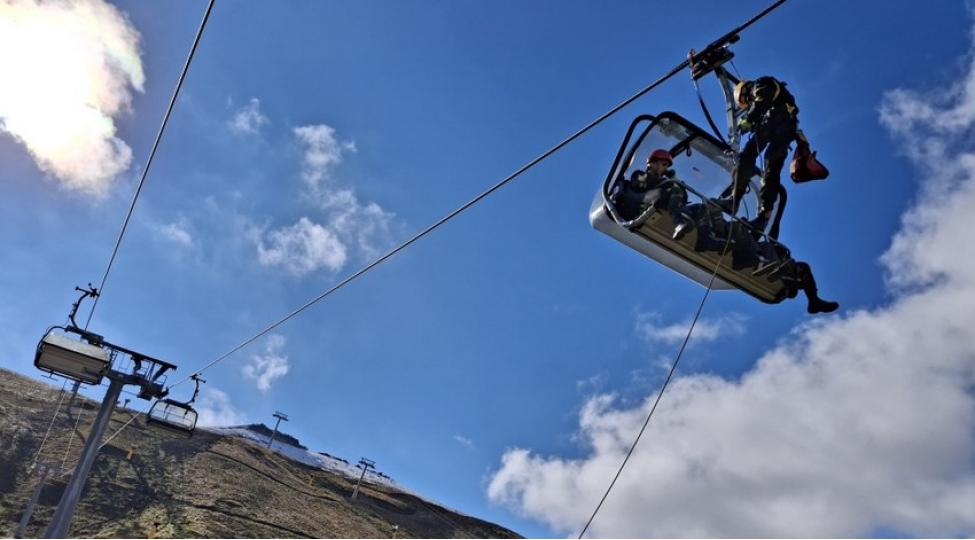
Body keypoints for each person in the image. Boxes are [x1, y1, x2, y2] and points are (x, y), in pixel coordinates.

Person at [728, 76, 800, 235]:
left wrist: (749, 118)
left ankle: (736, 199)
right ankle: (762, 216)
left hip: (774, 126)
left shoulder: (761, 84)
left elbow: (762, 99)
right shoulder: (773, 100)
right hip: (782, 131)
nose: (749, 105)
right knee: (770, 172)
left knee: (748, 156)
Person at [610, 148, 694, 239]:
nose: (665, 168)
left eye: (667, 166)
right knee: (664, 192)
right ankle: (678, 222)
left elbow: (684, 198)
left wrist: (675, 179)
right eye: (664, 164)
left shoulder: (665, 181)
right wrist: (667, 182)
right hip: (638, 208)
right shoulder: (638, 174)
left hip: (657, 204)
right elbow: (643, 184)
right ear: (653, 163)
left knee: (699, 207)